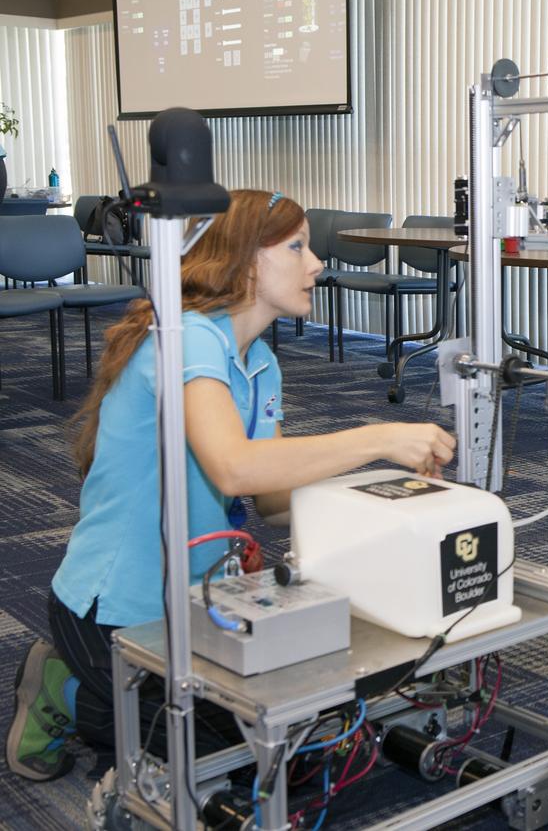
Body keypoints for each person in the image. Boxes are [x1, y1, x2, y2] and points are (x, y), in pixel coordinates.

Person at [6, 189, 456, 781]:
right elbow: (234, 468)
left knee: (297, 753)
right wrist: (380, 438)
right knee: (239, 761)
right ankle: (60, 685)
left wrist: (385, 509)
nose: (317, 263)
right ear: (246, 262)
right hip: (118, 609)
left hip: (204, 599)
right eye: (296, 247)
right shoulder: (190, 336)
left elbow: (269, 500)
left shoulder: (260, 362)